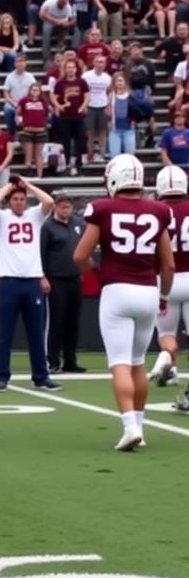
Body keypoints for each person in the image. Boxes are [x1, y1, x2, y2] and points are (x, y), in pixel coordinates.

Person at [73, 155, 173, 450]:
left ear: (114, 177)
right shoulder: (158, 210)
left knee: (119, 364)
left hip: (117, 290)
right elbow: (167, 265)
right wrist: (164, 296)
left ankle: (130, 427)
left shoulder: (104, 208)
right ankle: (140, 427)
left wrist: (95, 272)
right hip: (148, 292)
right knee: (138, 363)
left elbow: (79, 256)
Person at [0, 176, 59, 392]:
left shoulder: (34, 216)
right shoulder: (3, 217)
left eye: (21, 199)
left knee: (35, 333)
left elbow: (49, 203)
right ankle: (2, 376)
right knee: (5, 332)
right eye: (15, 199)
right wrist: (7, 187)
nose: (19, 202)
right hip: (8, 280)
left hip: (32, 280)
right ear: (9, 201)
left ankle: (40, 376)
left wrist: (28, 186)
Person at [39, 191, 87, 375]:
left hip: (74, 278)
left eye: (68, 206)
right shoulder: (48, 227)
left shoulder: (78, 224)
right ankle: (53, 360)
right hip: (56, 279)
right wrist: (42, 276)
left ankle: (70, 360)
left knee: (72, 322)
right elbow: (41, 253)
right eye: (61, 206)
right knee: (56, 322)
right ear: (55, 207)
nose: (65, 209)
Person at [150, 167, 189, 390]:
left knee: (166, 334)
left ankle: (168, 359)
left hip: (165, 279)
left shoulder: (156, 210)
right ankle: (171, 369)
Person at [50, 59, 89, 175]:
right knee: (66, 141)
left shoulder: (81, 82)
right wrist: (58, 106)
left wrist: (82, 107)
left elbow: (87, 95)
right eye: (68, 67)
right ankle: (67, 162)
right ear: (65, 69)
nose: (70, 70)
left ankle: (78, 163)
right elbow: (53, 96)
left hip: (78, 116)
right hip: (65, 117)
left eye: (72, 67)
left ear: (76, 69)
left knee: (79, 140)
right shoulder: (60, 83)